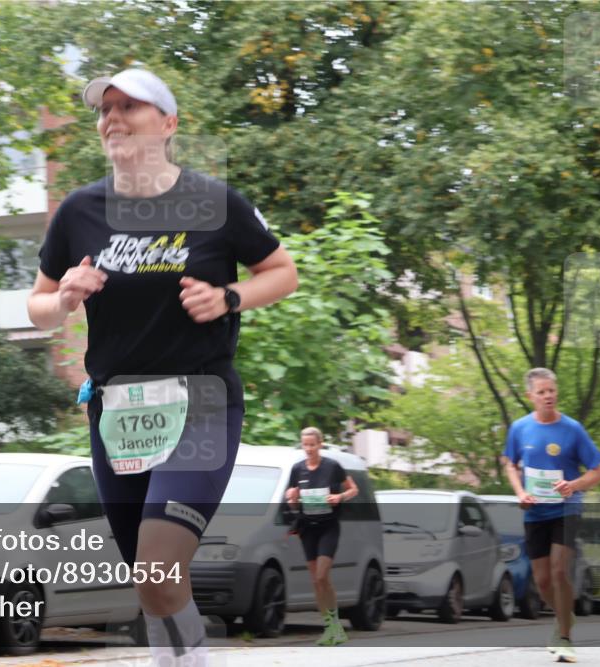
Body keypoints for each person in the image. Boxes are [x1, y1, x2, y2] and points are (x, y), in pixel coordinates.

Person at [27, 68, 297, 666]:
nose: (113, 118)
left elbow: (282, 273)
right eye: (106, 109)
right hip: (116, 409)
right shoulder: (79, 211)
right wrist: (66, 296)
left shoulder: (215, 202)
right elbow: (39, 307)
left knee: (157, 563)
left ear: (169, 123)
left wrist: (229, 298)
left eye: (131, 107)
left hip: (200, 402)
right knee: (151, 583)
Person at [502, 368, 600, 664]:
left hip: (566, 508)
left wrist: (572, 485)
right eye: (542, 392)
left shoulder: (572, 429)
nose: (548, 396)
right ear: (530, 396)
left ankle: (564, 638)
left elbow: (598, 471)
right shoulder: (520, 428)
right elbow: (510, 463)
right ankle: (565, 617)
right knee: (543, 581)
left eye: (552, 390)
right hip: (535, 511)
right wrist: (520, 492)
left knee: (560, 571)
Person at [284, 427, 359, 646]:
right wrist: (291, 498)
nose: (308, 449)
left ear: (320, 444)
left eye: (312, 444)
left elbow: (353, 489)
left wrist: (339, 496)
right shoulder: (297, 469)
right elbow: (293, 502)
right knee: (317, 583)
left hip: (328, 526)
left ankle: (335, 627)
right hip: (308, 528)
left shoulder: (332, 467)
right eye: (305, 445)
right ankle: (330, 629)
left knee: (321, 576)